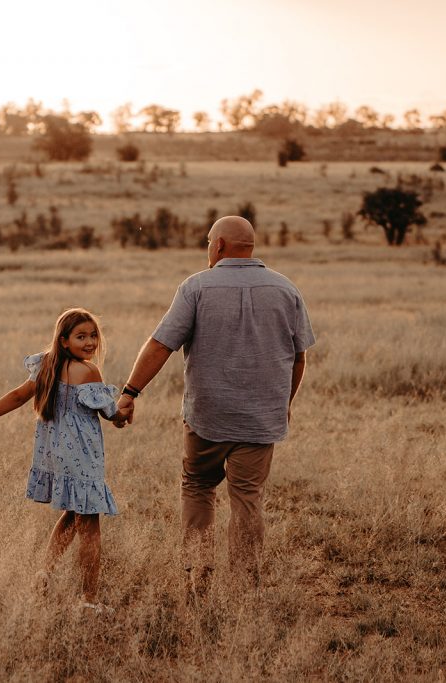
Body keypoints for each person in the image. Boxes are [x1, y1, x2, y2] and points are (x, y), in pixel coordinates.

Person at [114, 215, 315, 584]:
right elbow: (299, 356)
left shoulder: (196, 287)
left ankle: (198, 572)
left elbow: (161, 345)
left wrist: (129, 393)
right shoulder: (286, 289)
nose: (208, 247)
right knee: (248, 496)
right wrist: (284, 403)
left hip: (207, 416)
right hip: (260, 420)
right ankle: (244, 580)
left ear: (219, 245)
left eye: (208, 241)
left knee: (197, 484)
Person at [0, 308, 118, 611]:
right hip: (83, 457)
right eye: (81, 336)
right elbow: (110, 412)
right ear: (63, 340)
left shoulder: (46, 365)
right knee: (90, 526)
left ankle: (44, 576)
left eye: (93, 335)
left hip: (56, 455)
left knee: (73, 515)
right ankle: (89, 600)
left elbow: (17, 396)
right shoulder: (88, 372)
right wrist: (125, 408)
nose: (90, 342)